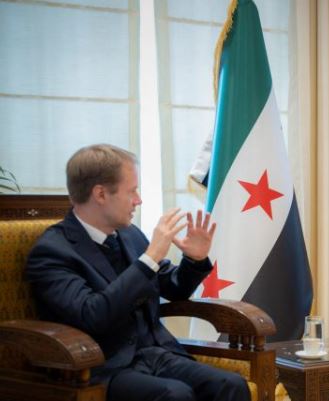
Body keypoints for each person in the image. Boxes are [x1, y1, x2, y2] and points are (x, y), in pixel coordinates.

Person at [26, 144, 250, 401]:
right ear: (100, 194)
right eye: (132, 190)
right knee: (175, 395)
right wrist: (149, 258)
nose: (138, 200)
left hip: (156, 354)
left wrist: (194, 259)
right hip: (103, 367)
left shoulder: (129, 234)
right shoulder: (52, 251)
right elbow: (93, 316)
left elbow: (173, 288)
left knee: (230, 385)